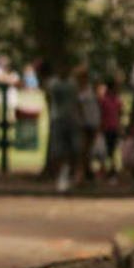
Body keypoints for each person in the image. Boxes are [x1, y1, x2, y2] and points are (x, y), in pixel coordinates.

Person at [46, 64, 81, 193]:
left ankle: (73, 175)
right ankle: (61, 176)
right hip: (58, 119)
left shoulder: (72, 84)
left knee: (76, 149)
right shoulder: (54, 84)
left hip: (72, 120)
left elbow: (77, 101)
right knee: (57, 151)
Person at [99, 78, 123, 179]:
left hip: (114, 128)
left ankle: (112, 170)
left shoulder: (117, 100)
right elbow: (101, 114)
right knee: (106, 151)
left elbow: (120, 113)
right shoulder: (104, 100)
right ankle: (107, 170)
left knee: (113, 151)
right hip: (106, 128)